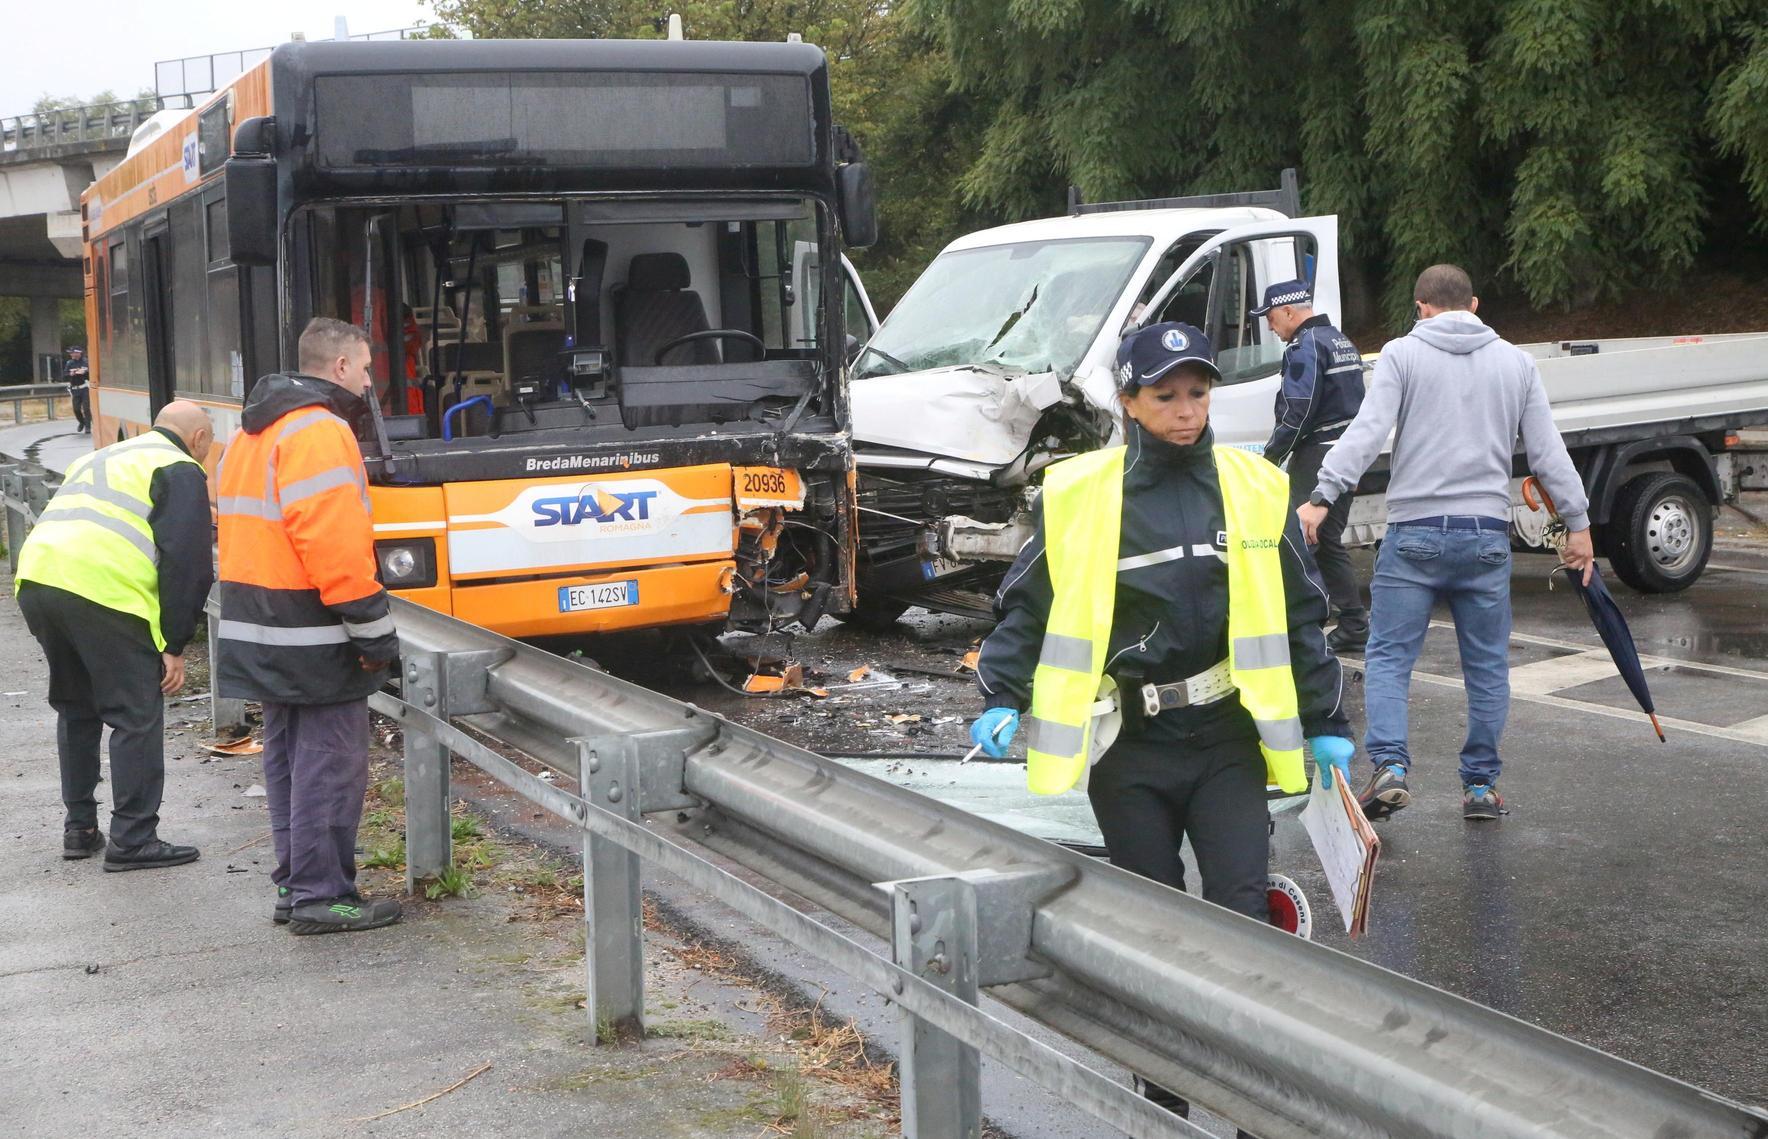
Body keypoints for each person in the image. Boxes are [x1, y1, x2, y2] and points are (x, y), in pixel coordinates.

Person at [971, 323, 1353, 1126]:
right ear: (1130, 402)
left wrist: (1323, 718)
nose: (1186, 411)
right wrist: (1002, 692)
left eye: (1198, 393)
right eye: (1166, 396)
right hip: (1131, 746)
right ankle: (1165, 1087)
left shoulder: (1254, 485)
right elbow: (1027, 603)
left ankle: (1252, 1094)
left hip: (1224, 739)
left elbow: (1301, 612)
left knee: (1243, 914)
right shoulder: (1080, 493)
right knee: (1154, 920)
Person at [1298, 265, 1595, 822]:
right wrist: (1577, 526)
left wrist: (1323, 494)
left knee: (1388, 656)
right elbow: (1548, 454)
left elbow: (1365, 432)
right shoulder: (1517, 363)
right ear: (1474, 305)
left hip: (1414, 535)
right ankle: (1480, 787)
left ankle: (1390, 767)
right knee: (1486, 667)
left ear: (1421, 307)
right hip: (1484, 538)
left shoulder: (1401, 355)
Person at [215, 317, 403, 935]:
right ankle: (322, 898)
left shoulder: (253, 428)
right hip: (311, 628)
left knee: (288, 757)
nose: (370, 380)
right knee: (330, 762)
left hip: (258, 621)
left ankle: (297, 885)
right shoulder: (320, 430)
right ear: (343, 367)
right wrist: (371, 626)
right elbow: (333, 540)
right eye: (367, 368)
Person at [16, 402, 215, 868]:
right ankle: (133, 839)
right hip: (102, 590)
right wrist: (173, 644)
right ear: (201, 437)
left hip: (40, 579)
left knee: (78, 707)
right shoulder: (180, 467)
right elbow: (188, 566)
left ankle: (80, 829)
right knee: (136, 713)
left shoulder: (103, 455)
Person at [1250, 280, 1369, 651]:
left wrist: (1270, 457)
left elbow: (1297, 411)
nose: (1270, 328)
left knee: (1297, 542)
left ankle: (1299, 634)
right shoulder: (1339, 339)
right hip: (1347, 452)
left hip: (1319, 455)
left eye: (1270, 319)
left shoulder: (1306, 345)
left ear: (1288, 311)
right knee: (1326, 540)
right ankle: (1352, 624)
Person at [62, 346, 91, 433]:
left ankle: (88, 427)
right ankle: (82, 422)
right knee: (76, 409)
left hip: (84, 387)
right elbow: (64, 375)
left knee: (86, 408)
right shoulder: (69, 363)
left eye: (72, 353)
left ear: (78, 353)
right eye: (70, 353)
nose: (71, 354)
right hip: (75, 388)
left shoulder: (86, 362)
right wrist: (70, 374)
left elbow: (92, 373)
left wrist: (85, 372)